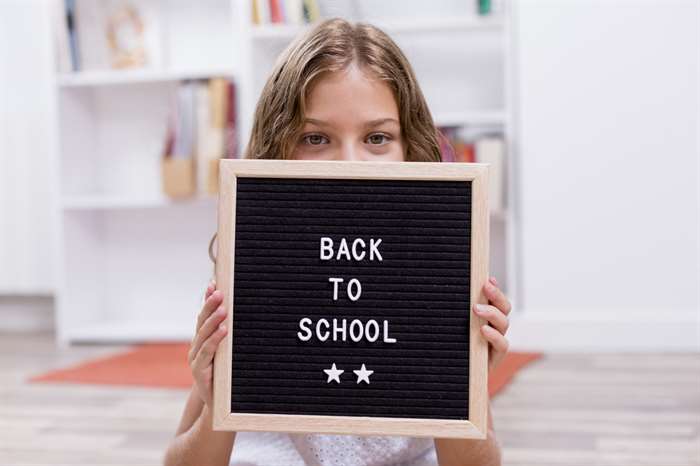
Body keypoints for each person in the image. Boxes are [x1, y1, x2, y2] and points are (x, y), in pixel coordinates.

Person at [163, 18, 511, 466]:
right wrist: (215, 403)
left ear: (409, 147)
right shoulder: (256, 273)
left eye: (377, 138)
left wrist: (465, 384)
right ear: (278, 147)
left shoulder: (437, 275)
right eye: (316, 138)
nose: (351, 164)